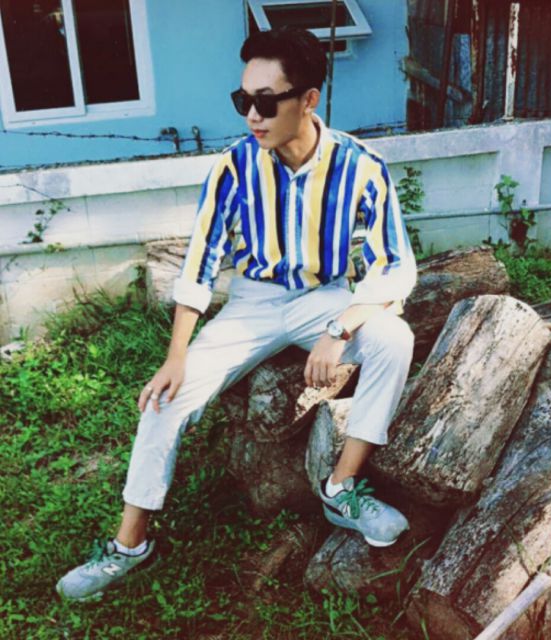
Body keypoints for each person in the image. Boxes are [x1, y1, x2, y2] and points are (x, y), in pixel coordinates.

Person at [56, 27, 417, 601]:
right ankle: (129, 544)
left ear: (309, 100)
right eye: (243, 100)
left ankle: (341, 487)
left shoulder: (361, 166)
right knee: (165, 398)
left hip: (324, 297)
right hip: (252, 301)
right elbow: (199, 266)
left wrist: (340, 327)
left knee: (394, 338)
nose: (252, 115)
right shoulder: (233, 167)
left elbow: (395, 268)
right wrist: (177, 355)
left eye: (266, 102)